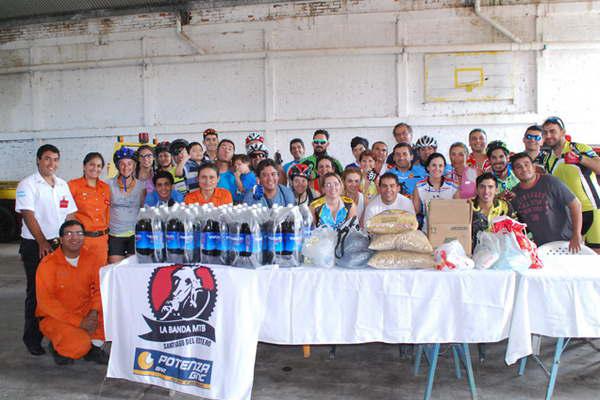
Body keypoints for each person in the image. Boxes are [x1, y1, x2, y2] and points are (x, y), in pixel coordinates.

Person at [15, 144, 77, 356]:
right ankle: (32, 339)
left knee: (61, 293)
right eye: (47, 159)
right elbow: (28, 215)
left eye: (56, 159)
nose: (52, 164)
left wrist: (70, 239)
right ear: (38, 160)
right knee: (37, 293)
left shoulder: (61, 184)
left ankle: (57, 338)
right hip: (36, 246)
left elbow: (69, 214)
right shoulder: (28, 184)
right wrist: (42, 242)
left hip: (59, 245)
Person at [36, 220, 108, 365]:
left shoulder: (93, 259)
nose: (74, 238)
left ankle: (94, 346)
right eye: (69, 234)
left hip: (86, 311)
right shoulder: (48, 264)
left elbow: (100, 290)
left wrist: (93, 312)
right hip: (56, 317)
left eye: (79, 233)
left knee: (115, 318)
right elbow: (47, 303)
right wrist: (79, 322)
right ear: (61, 240)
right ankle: (59, 345)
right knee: (78, 346)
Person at [543, 116, 600, 252]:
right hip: (568, 215)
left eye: (552, 131)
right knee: (574, 258)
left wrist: (580, 159)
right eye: (545, 132)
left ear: (563, 132)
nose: (549, 136)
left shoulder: (578, 148)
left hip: (592, 210)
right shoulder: (547, 159)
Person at [510, 152, 583, 252]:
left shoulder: (550, 182)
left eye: (527, 164)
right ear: (514, 172)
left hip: (567, 243)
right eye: (518, 167)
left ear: (534, 166)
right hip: (540, 247)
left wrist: (576, 234)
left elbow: (576, 205)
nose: (524, 169)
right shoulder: (514, 194)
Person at [68, 152, 110, 264]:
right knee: (80, 276)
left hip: (102, 241)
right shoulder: (73, 186)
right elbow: (66, 213)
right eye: (92, 164)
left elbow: (107, 213)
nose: (95, 168)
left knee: (99, 276)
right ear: (84, 166)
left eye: (99, 166)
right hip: (81, 240)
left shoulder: (105, 188)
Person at [108, 147, 146, 264]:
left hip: (135, 234)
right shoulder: (108, 184)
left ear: (134, 165)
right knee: (115, 269)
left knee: (133, 270)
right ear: (118, 166)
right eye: (122, 164)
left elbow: (142, 209)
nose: (126, 167)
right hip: (115, 233)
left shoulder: (141, 186)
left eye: (129, 164)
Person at [412, 153, 458, 232]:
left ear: (444, 168)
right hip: (427, 229)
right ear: (428, 167)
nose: (437, 168)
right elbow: (416, 211)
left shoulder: (453, 186)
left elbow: (459, 209)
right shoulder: (419, 187)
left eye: (440, 166)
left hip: (450, 228)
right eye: (433, 165)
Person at [471, 172, 515, 251]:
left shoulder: (504, 207)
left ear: (496, 190)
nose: (486, 191)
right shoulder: (469, 206)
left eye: (490, 187)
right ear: (476, 190)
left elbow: (513, 231)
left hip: (499, 252)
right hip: (473, 252)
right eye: (482, 187)